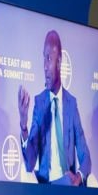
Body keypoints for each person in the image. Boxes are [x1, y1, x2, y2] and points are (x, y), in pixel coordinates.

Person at [18, 30, 91, 185]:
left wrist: (78, 177)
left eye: (49, 59)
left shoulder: (71, 104)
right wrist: (23, 127)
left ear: (59, 62)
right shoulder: (40, 103)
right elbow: (30, 163)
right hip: (47, 186)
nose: (44, 66)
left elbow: (85, 156)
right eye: (43, 59)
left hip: (69, 185)